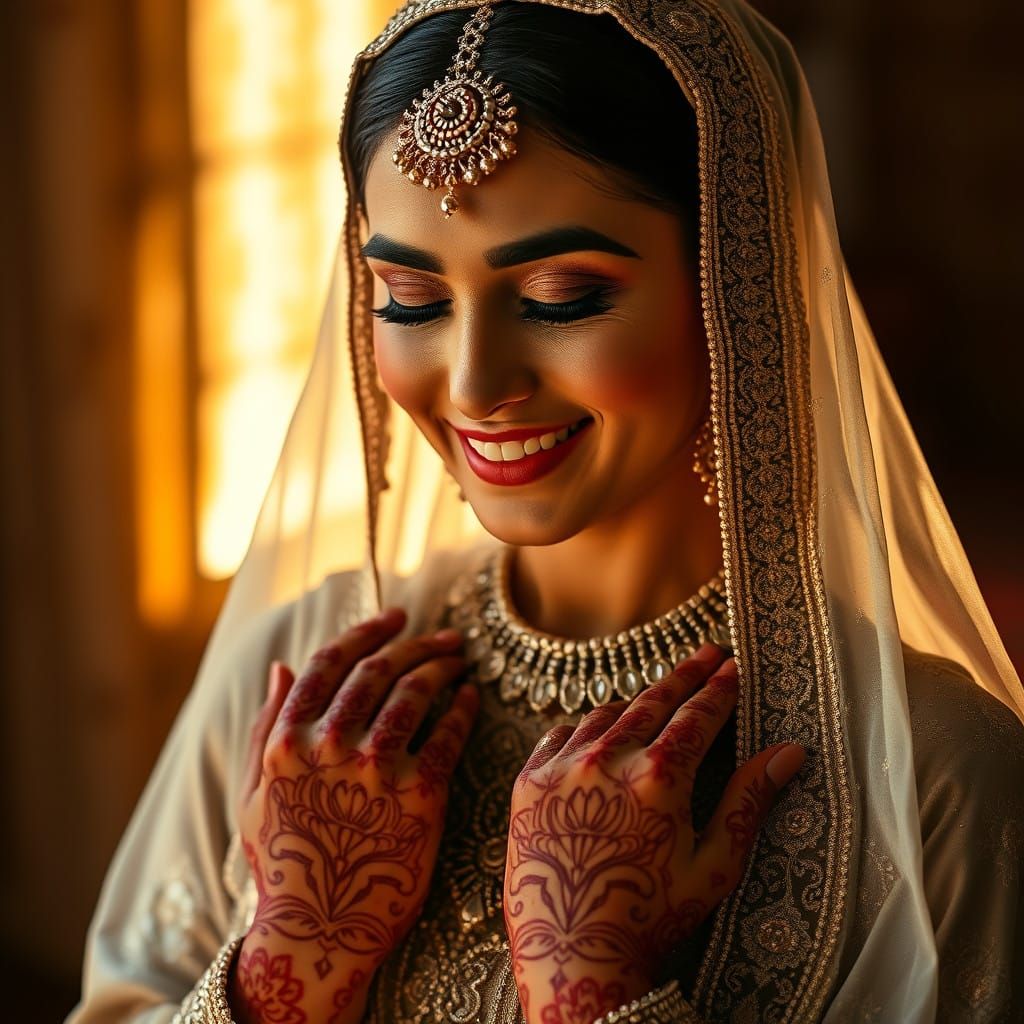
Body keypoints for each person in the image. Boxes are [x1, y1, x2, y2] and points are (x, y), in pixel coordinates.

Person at [68, 1, 1024, 1022]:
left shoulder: (928, 769)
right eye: (410, 301)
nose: (475, 382)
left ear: (741, 280)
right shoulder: (311, 697)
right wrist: (291, 960)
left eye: (563, 297)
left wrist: (594, 990)